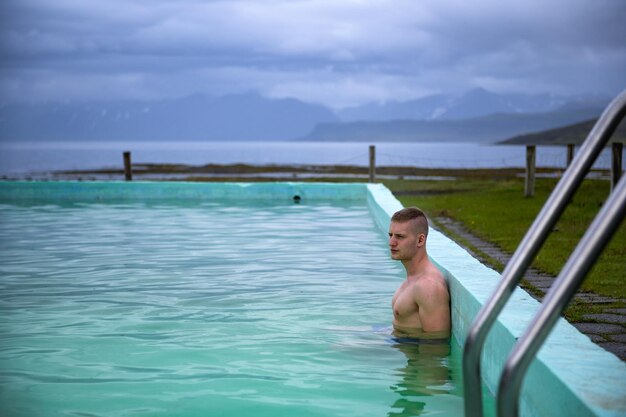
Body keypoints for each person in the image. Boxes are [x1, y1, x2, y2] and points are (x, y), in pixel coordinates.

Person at [389, 207, 450, 340]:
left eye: (400, 236)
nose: (391, 242)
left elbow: (434, 345)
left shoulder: (428, 287)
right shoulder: (414, 279)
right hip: (398, 342)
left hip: (409, 351)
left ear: (420, 240)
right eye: (391, 235)